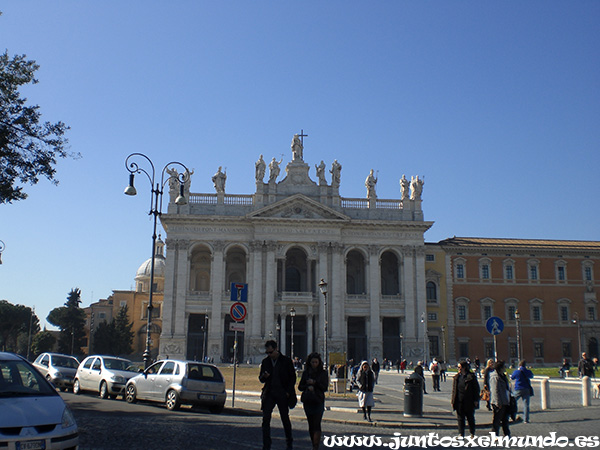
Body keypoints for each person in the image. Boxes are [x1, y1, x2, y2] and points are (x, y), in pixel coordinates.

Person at [259, 340, 296, 450]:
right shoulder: (265, 362)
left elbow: (292, 378)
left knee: (285, 418)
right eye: (267, 353)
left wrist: (288, 392)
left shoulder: (286, 361)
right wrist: (264, 376)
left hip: (282, 393)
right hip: (269, 393)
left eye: (270, 352)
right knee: (266, 419)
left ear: (276, 349)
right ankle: (266, 443)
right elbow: (260, 379)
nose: (269, 355)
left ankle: (289, 441)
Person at [298, 352, 328, 450]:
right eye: (313, 362)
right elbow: (300, 387)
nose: (314, 364)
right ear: (309, 362)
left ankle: (316, 446)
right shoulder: (306, 373)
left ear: (319, 362)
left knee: (316, 423)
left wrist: (314, 383)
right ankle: (313, 443)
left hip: (318, 400)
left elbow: (324, 387)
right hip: (308, 401)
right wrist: (307, 385)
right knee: (311, 424)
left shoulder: (323, 373)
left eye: (316, 362)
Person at [451, 360, 480, 438]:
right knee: (460, 418)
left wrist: (476, 400)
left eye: (459, 367)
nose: (458, 368)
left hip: (469, 400)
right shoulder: (457, 377)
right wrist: (453, 400)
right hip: (459, 400)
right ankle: (461, 433)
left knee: (470, 417)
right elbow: (454, 390)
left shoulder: (471, 377)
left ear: (464, 368)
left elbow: (476, 389)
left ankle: (472, 433)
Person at [489, 360, 511, 437]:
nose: (505, 368)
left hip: (505, 400)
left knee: (505, 419)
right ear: (500, 368)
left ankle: (507, 434)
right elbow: (495, 390)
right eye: (504, 366)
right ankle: (494, 435)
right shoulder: (495, 377)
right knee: (497, 420)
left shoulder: (503, 376)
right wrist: (498, 402)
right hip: (498, 402)